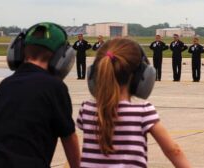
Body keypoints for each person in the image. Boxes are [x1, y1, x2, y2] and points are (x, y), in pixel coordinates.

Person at [77, 38, 191, 168]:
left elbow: (78, 152)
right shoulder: (143, 112)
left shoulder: (86, 109)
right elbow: (173, 151)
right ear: (141, 75)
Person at [0, 23, 80, 168]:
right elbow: (68, 138)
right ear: (61, 57)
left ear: (19, 51)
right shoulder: (55, 87)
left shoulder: (5, 85)